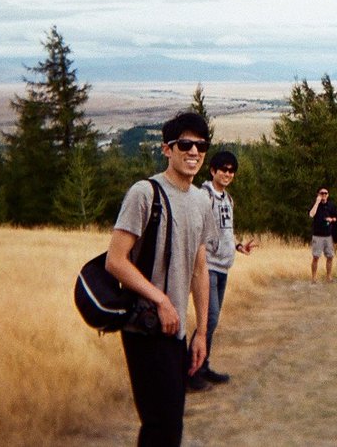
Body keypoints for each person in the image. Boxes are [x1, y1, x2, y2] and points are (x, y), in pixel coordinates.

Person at [105, 111, 216, 446]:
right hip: (146, 326)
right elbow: (115, 261)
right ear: (167, 149)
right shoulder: (144, 193)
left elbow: (200, 269)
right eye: (185, 144)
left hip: (175, 330)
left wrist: (201, 333)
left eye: (201, 146)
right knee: (161, 425)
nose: (194, 152)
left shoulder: (201, 201)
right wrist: (161, 299)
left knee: (170, 425)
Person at [189, 150, 257, 391]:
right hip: (207, 266)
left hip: (223, 266)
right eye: (224, 169)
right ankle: (191, 372)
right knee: (209, 318)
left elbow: (225, 230)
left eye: (231, 171)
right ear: (213, 170)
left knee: (211, 320)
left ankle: (202, 366)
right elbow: (196, 230)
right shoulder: (203, 196)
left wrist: (237, 246)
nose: (228, 174)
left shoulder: (228, 199)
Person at [308, 187, 337, 282]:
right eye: (322, 193)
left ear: (328, 195)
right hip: (317, 235)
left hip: (328, 236)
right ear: (318, 194)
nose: (324, 195)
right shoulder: (315, 204)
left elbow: (336, 217)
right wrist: (317, 202)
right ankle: (313, 278)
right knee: (316, 257)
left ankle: (328, 277)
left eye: (325, 193)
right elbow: (311, 215)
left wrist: (331, 219)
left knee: (330, 257)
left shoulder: (331, 205)